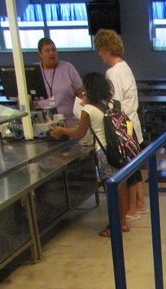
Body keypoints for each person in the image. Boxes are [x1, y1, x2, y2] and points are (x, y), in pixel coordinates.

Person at [50, 72, 130, 238]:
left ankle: (113, 226)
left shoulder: (87, 110)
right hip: (120, 150)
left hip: (104, 155)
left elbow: (80, 133)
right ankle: (123, 222)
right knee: (122, 188)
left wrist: (61, 130)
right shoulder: (113, 104)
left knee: (111, 192)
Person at [93, 29, 147, 220]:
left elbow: (113, 105)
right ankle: (140, 202)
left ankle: (132, 207)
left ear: (106, 49)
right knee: (135, 165)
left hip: (123, 126)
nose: (99, 54)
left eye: (99, 50)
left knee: (128, 170)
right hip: (132, 123)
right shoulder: (125, 66)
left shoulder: (113, 72)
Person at [36, 37, 84, 120]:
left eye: (54, 50)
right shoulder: (35, 70)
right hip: (43, 120)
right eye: (47, 51)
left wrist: (81, 114)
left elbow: (80, 92)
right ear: (40, 54)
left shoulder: (68, 67)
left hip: (69, 119)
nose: (52, 53)